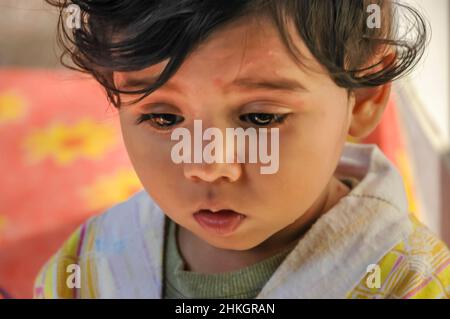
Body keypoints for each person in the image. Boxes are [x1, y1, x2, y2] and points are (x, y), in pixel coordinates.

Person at [35, 0, 449, 298]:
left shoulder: (409, 282)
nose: (207, 165)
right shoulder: (88, 265)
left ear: (362, 97)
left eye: (260, 118)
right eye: (164, 119)